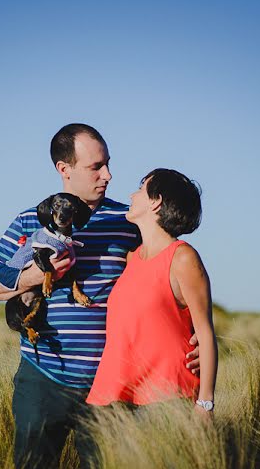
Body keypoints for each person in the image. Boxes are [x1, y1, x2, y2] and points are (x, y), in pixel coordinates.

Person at [0, 124, 202, 469]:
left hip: (111, 386)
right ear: (64, 170)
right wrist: (38, 274)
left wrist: (193, 342)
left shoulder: (129, 221)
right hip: (42, 380)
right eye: (95, 167)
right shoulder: (27, 221)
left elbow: (170, 276)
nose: (108, 175)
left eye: (108, 164)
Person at [86, 169, 217, 413]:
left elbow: (205, 333)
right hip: (115, 396)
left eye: (141, 188)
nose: (132, 195)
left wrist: (205, 403)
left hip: (166, 398)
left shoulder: (183, 257)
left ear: (156, 201)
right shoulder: (131, 258)